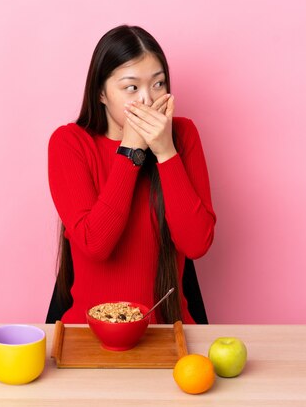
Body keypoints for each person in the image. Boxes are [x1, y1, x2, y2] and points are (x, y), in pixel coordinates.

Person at [48, 25, 216, 324]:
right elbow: (95, 245)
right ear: (101, 92)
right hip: (89, 335)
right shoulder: (69, 143)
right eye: (131, 88)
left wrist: (165, 153)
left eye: (158, 84)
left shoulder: (183, 135)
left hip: (169, 334)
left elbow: (196, 244)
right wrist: (130, 152)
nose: (148, 101)